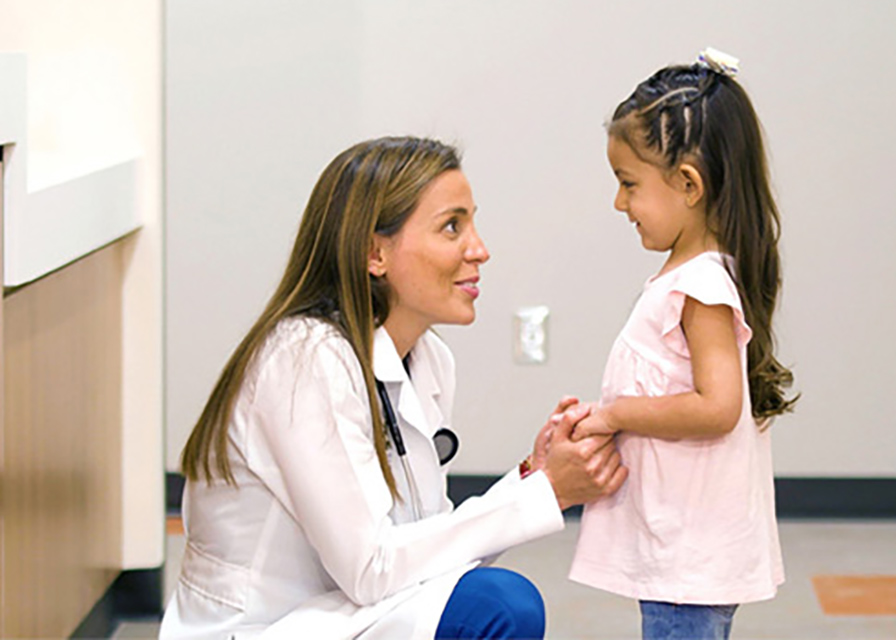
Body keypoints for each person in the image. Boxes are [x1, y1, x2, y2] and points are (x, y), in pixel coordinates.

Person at [159, 136, 627, 640]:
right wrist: (546, 493)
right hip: (260, 628)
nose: (480, 249)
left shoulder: (428, 360)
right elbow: (371, 569)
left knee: (484, 599)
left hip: (341, 614)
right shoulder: (304, 359)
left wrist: (532, 477)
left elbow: (427, 555)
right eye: (453, 226)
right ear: (374, 254)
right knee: (498, 605)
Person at [567, 49, 798, 640]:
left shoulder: (700, 287)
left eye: (628, 185)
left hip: (688, 561)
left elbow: (718, 407)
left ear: (689, 184)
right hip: (679, 552)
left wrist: (616, 413)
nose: (620, 204)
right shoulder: (690, 279)